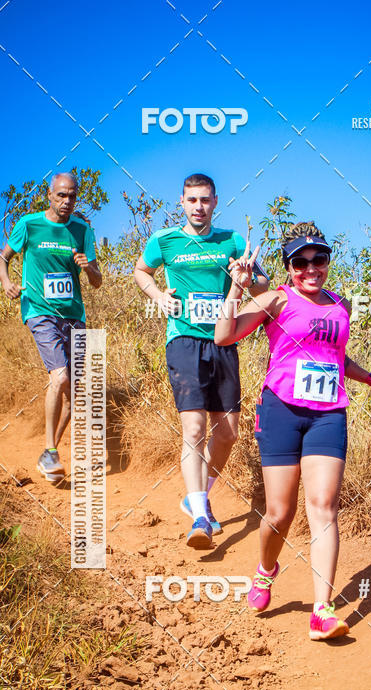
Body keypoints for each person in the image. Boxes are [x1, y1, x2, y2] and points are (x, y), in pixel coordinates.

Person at [215, 222, 371, 640]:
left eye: (319, 259)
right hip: (280, 412)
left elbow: (334, 358)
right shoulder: (276, 299)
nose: (311, 269)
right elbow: (224, 336)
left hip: (328, 415)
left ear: (328, 260)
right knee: (280, 514)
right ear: (289, 266)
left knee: (323, 506)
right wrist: (237, 287)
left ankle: (322, 611)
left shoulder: (340, 305)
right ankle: (265, 572)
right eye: (301, 262)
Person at [134, 173, 269, 549]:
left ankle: (200, 495)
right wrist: (158, 296)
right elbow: (141, 271)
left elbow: (262, 284)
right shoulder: (165, 240)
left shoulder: (232, 241)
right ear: (181, 201)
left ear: (215, 201)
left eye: (205, 200)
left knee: (227, 433)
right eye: (192, 200)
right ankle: (198, 517)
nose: (199, 207)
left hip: (223, 341)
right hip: (184, 340)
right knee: (193, 430)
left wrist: (246, 277)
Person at [0, 173, 102, 483]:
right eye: (61, 195)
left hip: (74, 316)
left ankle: (49, 452)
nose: (66, 201)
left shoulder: (82, 230)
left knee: (76, 396)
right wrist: (6, 283)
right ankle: (51, 450)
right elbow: (3, 257)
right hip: (39, 311)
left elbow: (97, 282)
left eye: (72, 195)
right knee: (60, 376)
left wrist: (89, 268)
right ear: (49, 194)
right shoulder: (29, 225)